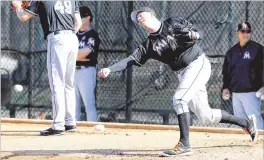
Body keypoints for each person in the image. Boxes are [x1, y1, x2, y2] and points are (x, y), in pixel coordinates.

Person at [98, 7, 258, 156]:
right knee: (206, 116)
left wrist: (194, 35)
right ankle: (246, 122)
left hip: (198, 63)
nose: (140, 20)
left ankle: (185, 144)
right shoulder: (149, 45)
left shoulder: (173, 23)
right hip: (184, 73)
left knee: (179, 99)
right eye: (137, 20)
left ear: (152, 15)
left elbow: (198, 32)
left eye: (142, 16)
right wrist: (110, 69)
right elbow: (131, 59)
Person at [12, 1, 82, 136]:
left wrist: (17, 5)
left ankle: (58, 125)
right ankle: (70, 121)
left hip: (57, 38)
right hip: (73, 38)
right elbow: (78, 22)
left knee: (57, 83)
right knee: (69, 83)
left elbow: (23, 17)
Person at [222, 22, 264, 130]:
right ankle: (243, 144)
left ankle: (261, 142)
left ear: (251, 33)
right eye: (242, 31)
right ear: (237, 33)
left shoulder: (258, 49)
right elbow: (226, 73)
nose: (245, 34)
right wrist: (225, 87)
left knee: (254, 118)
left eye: (248, 31)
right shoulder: (231, 52)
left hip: (252, 92)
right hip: (236, 93)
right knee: (239, 120)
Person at [75, 6, 100, 121]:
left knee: (89, 105)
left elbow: (82, 54)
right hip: (72, 70)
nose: (77, 20)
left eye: (80, 17)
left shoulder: (92, 34)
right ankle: (72, 128)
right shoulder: (73, 34)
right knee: (73, 105)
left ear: (88, 17)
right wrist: (77, 55)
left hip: (86, 71)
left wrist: (73, 55)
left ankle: (92, 130)